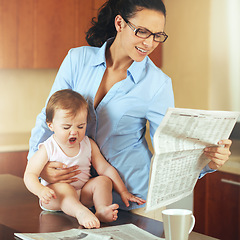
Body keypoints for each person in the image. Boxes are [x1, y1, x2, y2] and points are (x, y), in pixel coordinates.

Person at [28, 0, 232, 216]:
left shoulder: (157, 84)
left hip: (130, 199)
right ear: (119, 23)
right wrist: (38, 166)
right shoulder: (77, 60)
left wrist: (208, 161)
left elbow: (170, 148)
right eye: (142, 32)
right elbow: (47, 117)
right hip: (68, 191)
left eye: (157, 35)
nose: (150, 43)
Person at [24, 89, 145, 229]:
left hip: (82, 195)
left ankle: (101, 210)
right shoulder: (48, 148)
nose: (74, 131)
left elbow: (105, 168)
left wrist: (123, 191)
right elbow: (30, 174)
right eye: (66, 127)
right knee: (65, 188)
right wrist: (40, 191)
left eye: (81, 126)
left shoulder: (88, 144)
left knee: (103, 180)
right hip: (55, 198)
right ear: (51, 125)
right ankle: (80, 212)